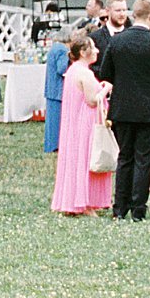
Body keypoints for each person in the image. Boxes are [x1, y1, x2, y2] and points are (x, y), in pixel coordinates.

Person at [95, 0, 150, 220]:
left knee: (125, 158)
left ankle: (120, 207)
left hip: (122, 108)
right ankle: (138, 208)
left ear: (133, 15)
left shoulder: (117, 41)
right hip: (149, 109)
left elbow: (105, 73)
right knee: (144, 159)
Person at [50, 30, 112, 216]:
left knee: (75, 159)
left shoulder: (72, 71)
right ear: (84, 52)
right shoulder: (84, 73)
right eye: (93, 48)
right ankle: (85, 202)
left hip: (73, 121)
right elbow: (92, 100)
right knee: (87, 159)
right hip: (85, 121)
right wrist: (106, 88)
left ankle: (74, 200)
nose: (98, 51)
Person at [41, 29, 70, 153]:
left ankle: (50, 143)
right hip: (58, 89)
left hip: (51, 88)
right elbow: (61, 68)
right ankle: (55, 145)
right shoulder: (62, 50)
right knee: (57, 119)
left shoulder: (54, 48)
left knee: (51, 120)